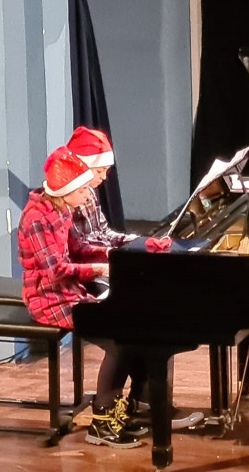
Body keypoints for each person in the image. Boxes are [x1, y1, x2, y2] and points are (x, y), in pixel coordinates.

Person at [66, 126, 204, 430]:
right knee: (135, 319)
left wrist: (136, 241)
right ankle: (122, 410)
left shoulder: (88, 192)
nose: (104, 177)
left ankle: (146, 401)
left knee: (154, 308)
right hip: (84, 278)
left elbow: (103, 233)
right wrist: (118, 256)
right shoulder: (70, 196)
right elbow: (78, 249)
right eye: (100, 170)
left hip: (103, 267)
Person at [17, 146, 145, 449]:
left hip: (68, 291)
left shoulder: (62, 210)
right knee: (117, 340)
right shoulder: (36, 218)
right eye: (83, 191)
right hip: (47, 298)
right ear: (66, 191)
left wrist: (115, 255)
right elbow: (55, 271)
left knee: (130, 329)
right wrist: (100, 269)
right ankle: (102, 423)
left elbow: (78, 249)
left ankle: (125, 408)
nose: (88, 196)